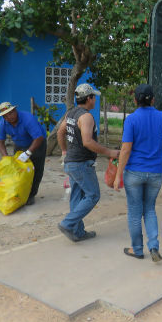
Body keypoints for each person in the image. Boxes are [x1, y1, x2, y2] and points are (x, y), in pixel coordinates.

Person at [113, 84, 162, 262]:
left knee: (135, 212)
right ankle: (153, 246)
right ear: (153, 100)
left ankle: (137, 249)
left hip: (134, 173)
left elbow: (126, 150)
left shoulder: (131, 120)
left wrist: (118, 175)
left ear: (135, 100)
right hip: (154, 174)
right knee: (150, 209)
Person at [56, 83, 120, 242]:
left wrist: (64, 151)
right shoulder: (86, 117)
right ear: (89, 98)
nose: (95, 100)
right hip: (81, 163)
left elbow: (60, 131)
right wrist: (109, 152)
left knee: (77, 197)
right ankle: (67, 223)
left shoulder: (71, 113)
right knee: (93, 195)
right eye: (94, 97)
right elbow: (87, 142)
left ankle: (78, 232)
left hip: (71, 163)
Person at [0, 102, 47, 205]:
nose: (8, 117)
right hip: (19, 145)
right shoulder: (3, 123)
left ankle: (31, 195)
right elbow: (0, 141)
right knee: (18, 170)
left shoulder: (28, 119)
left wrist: (28, 153)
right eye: (5, 116)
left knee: (35, 170)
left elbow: (39, 138)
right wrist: (5, 157)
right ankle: (18, 193)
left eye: (10, 113)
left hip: (37, 144)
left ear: (14, 111)